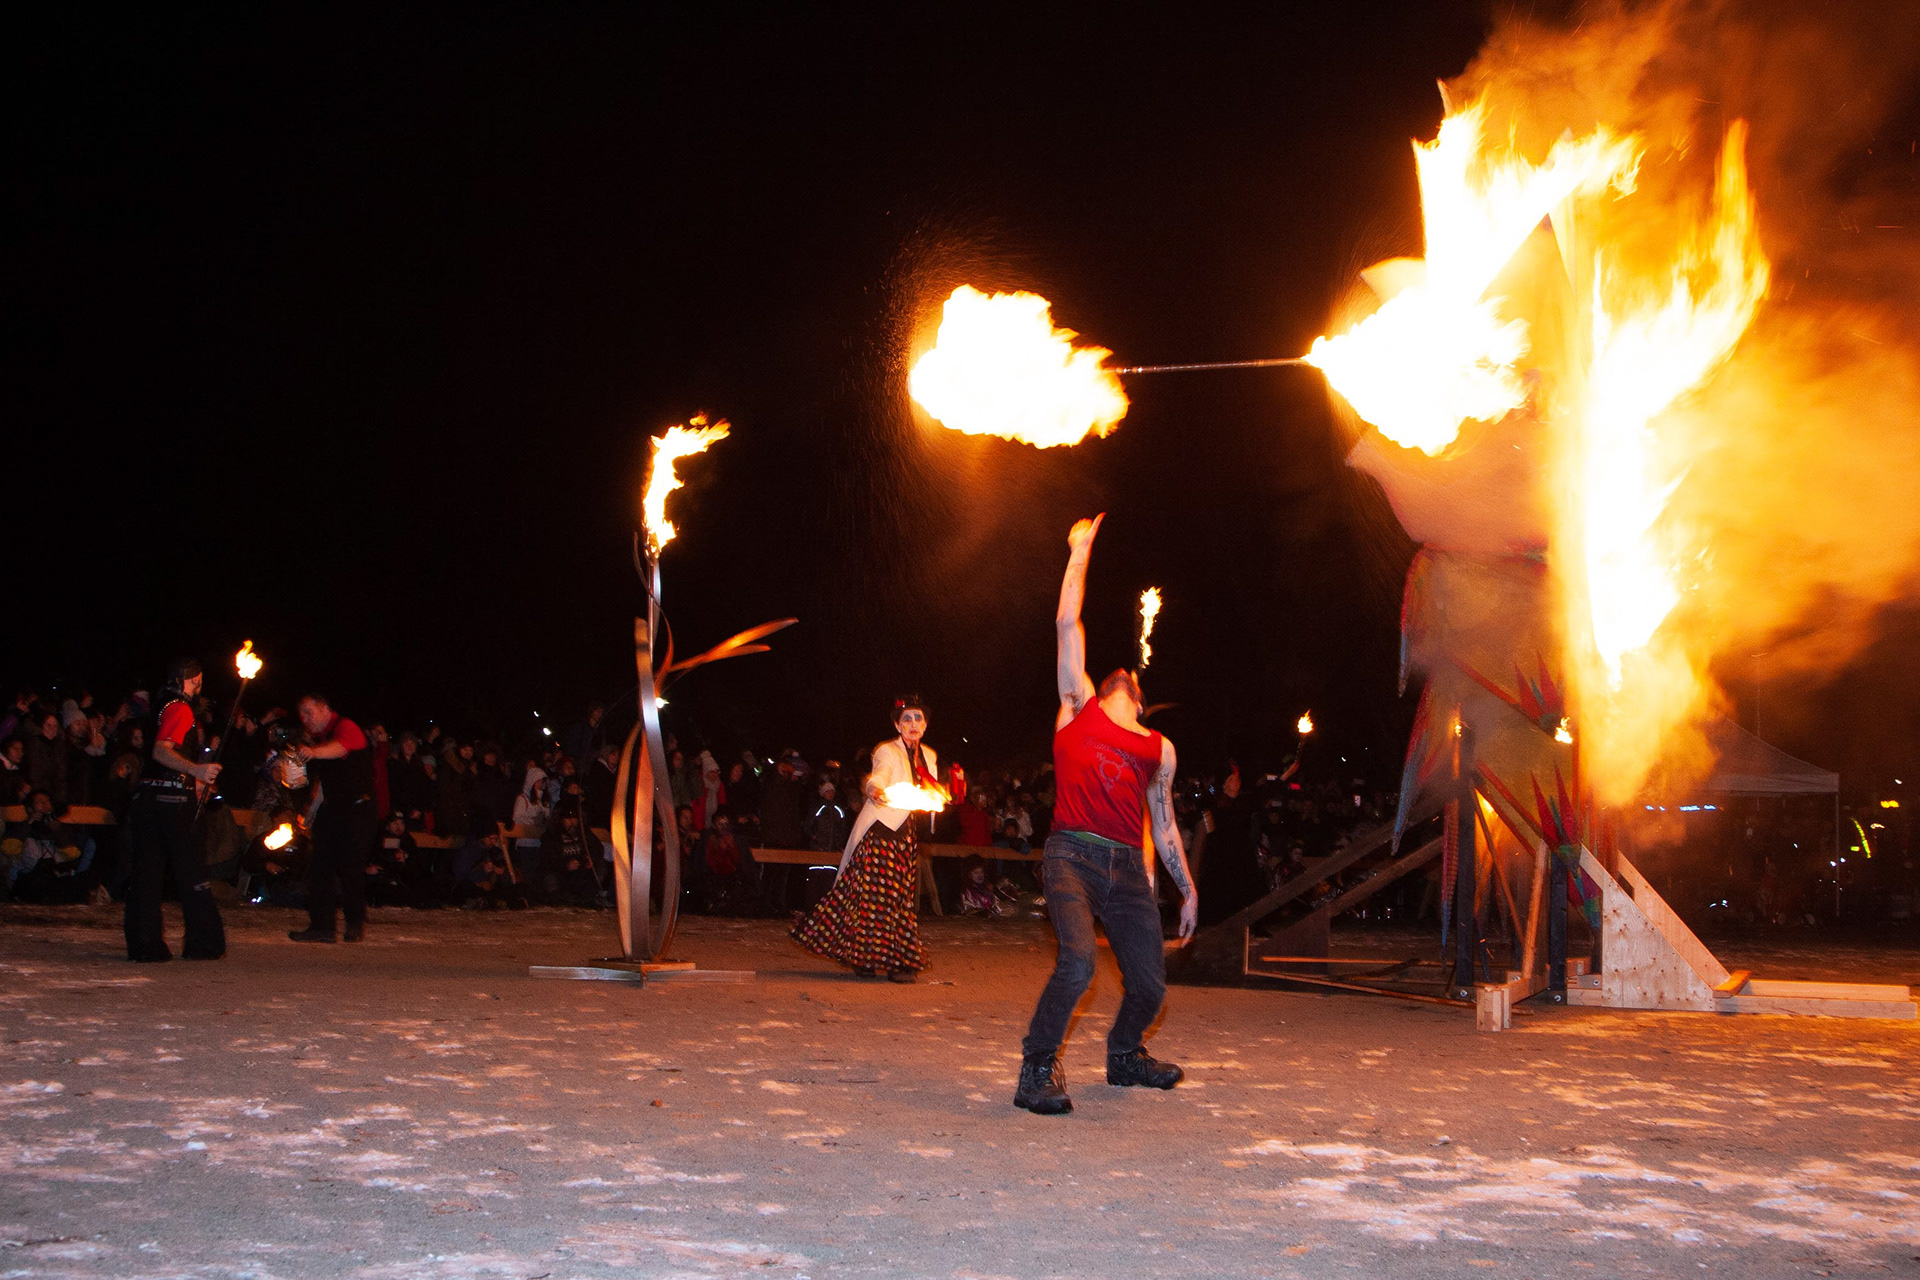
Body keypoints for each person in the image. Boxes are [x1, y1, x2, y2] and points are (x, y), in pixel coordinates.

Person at [1015, 515, 1197, 1115]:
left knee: (1149, 985)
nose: (1124, 672)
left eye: (1132, 678)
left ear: (1140, 696)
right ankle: (1037, 1069)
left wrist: (1185, 887)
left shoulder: (1158, 746)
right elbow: (1068, 621)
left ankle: (1124, 1056)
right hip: (1071, 853)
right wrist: (1080, 551)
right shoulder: (1079, 706)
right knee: (1079, 962)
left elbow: (1164, 823)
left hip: (1126, 868)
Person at [791, 696, 941, 982]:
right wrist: (874, 789)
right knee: (877, 898)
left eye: (918, 718)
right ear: (897, 725)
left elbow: (932, 792)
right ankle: (883, 962)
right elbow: (880, 775)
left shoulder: (929, 756)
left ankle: (888, 959)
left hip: (907, 835)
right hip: (882, 832)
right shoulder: (887, 751)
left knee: (900, 899)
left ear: (925, 724)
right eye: (906, 719)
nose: (913, 724)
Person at [123, 657, 226, 962]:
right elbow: (161, 750)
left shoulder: (159, 705)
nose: (199, 686)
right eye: (196, 680)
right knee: (191, 870)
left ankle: (145, 944)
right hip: (172, 803)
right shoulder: (180, 708)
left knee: (148, 873)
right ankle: (203, 942)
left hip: (148, 799)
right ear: (186, 680)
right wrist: (197, 772)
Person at [288, 694, 375, 943]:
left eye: (308, 711)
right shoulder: (322, 739)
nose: (305, 719)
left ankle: (354, 922)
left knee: (351, 867)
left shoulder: (345, 727)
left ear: (325, 708)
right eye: (301, 714)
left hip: (358, 808)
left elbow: (341, 749)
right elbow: (325, 784)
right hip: (334, 808)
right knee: (319, 867)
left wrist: (312, 752)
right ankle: (322, 927)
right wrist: (311, 812)